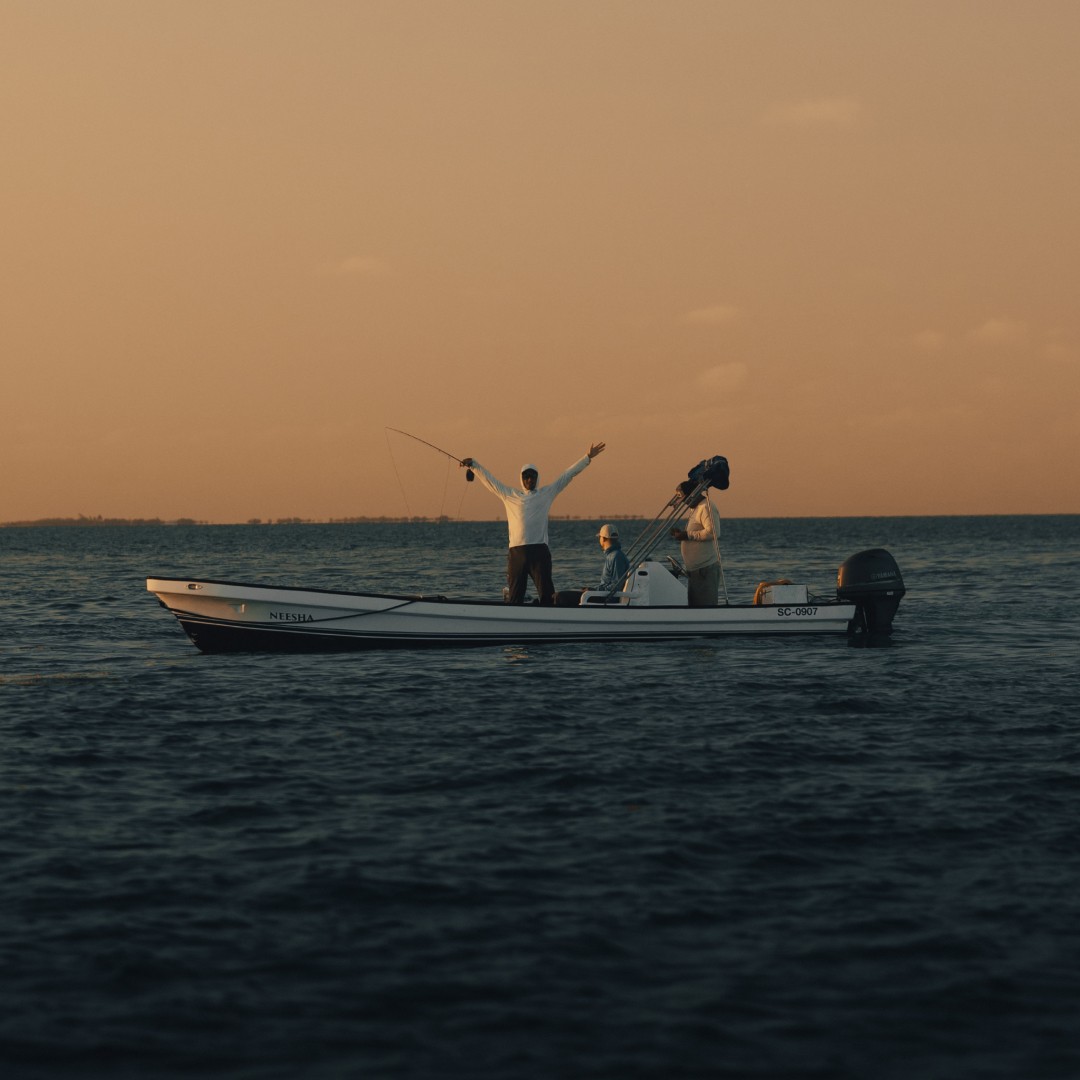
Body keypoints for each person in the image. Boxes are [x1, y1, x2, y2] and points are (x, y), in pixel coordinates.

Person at [461, 443, 606, 604]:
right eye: (526, 476)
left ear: (537, 478)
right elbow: (490, 481)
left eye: (533, 476)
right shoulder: (509, 495)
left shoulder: (546, 493)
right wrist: (473, 465)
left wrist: (587, 457)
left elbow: (567, 475)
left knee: (547, 596)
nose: (529, 479)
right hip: (516, 554)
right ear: (521, 478)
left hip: (539, 553)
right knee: (515, 598)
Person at [670, 481, 722, 607]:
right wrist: (681, 534)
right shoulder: (695, 509)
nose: (682, 501)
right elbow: (697, 531)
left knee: (705, 609)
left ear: (692, 494)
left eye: (682, 496)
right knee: (695, 606)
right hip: (695, 571)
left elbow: (713, 533)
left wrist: (687, 535)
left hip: (704, 570)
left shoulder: (706, 507)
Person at [553, 522, 630, 606]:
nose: (599, 540)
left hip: (606, 598)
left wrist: (594, 591)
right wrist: (593, 589)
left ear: (603, 539)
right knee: (556, 596)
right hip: (603, 595)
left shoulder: (616, 557)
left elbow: (616, 586)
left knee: (560, 597)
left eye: (599, 537)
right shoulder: (614, 555)